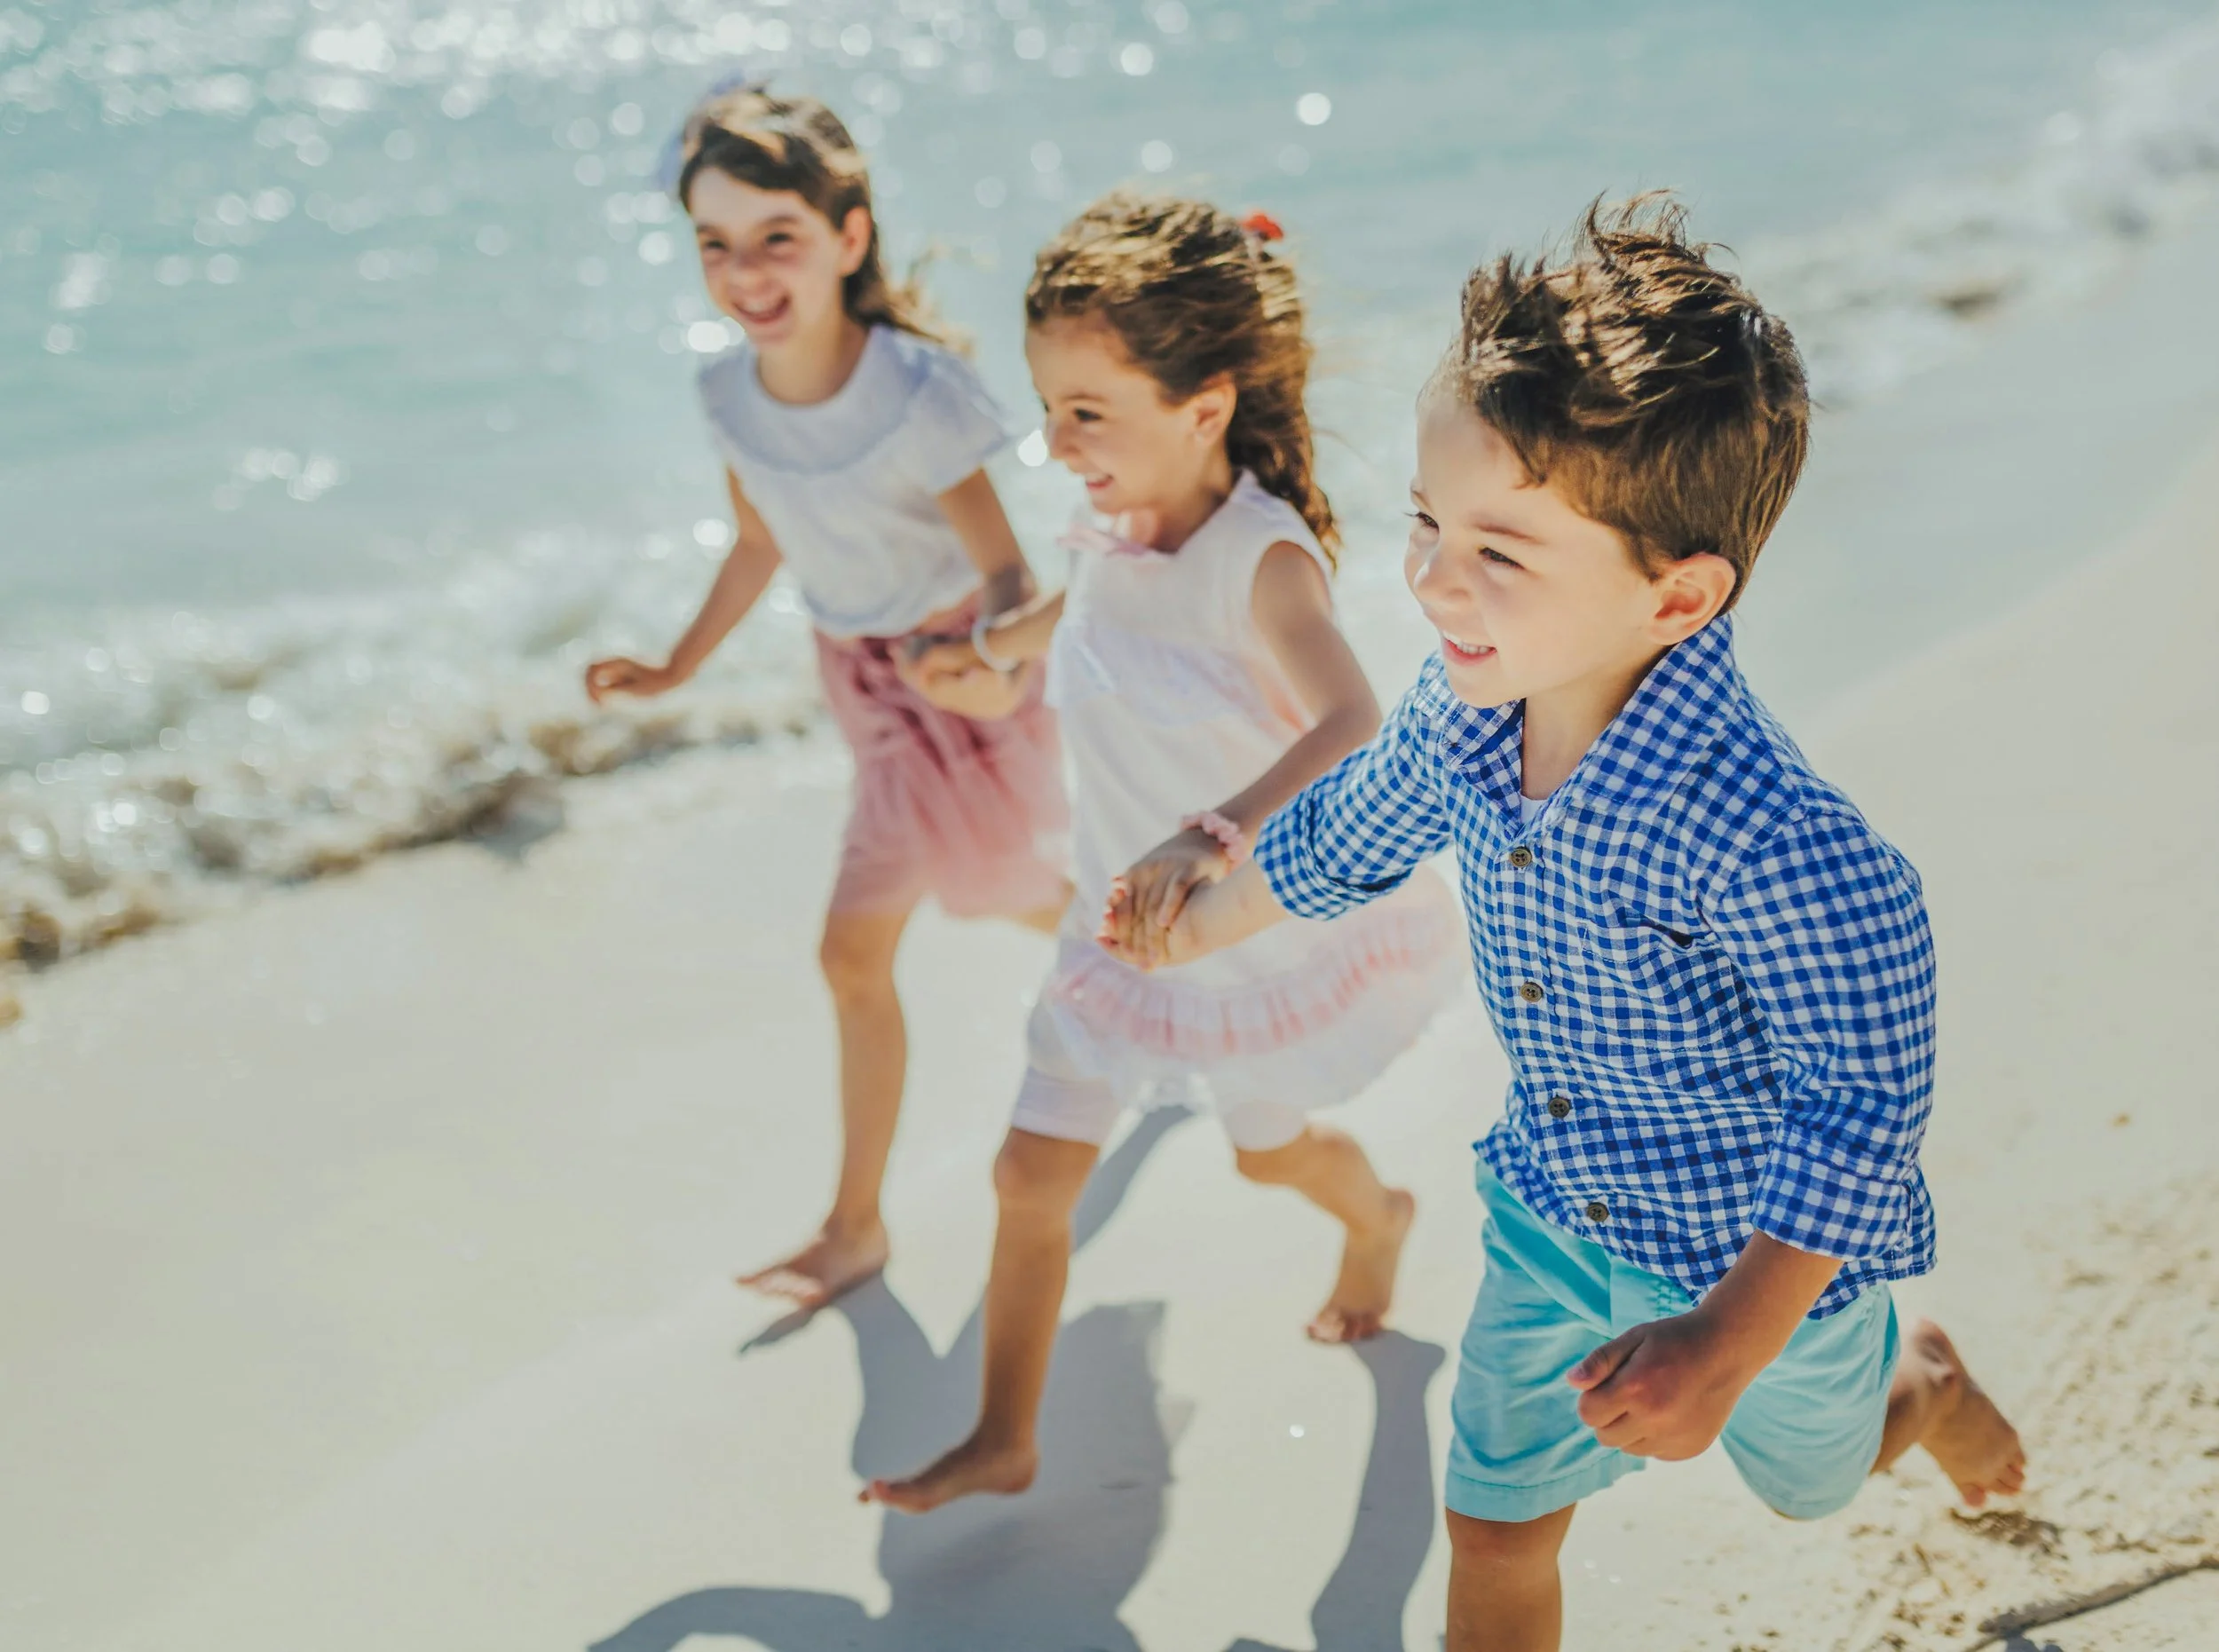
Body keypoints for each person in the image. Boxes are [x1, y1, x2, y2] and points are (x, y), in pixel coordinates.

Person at [1104, 196, 2026, 1652]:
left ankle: (1927, 1387)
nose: (1428, 578)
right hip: (1552, 1217)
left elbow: (1862, 1110)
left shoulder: (1777, 840)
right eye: (1425, 521)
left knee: (1816, 1480)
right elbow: (1351, 834)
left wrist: (1727, 1345)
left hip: (1758, 1271)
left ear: (1678, 594)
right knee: (1495, 1524)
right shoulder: (1466, 719)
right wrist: (1205, 911)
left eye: (1500, 553)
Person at [860, 193, 1463, 1514]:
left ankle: (1379, 1219)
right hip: (1111, 935)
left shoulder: (1261, 561)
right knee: (1031, 1175)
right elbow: (1085, 613)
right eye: (1048, 406)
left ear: (1203, 406)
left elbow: (1355, 719)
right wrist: (985, 661)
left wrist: (1214, 831)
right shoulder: (1123, 525)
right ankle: (1004, 1436)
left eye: (1087, 410)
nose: (1055, 441)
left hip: (1231, 938)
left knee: (1267, 1153)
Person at [585, 86, 1070, 1310]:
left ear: (849, 238)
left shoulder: (919, 391)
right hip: (859, 683)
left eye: (776, 238)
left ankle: (855, 1228)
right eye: (716, 245)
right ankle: (1141, 954)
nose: (745, 272)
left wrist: (993, 662)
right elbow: (760, 546)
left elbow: (1008, 565)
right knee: (1004, 894)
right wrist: (675, 666)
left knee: (856, 948)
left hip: (956, 679)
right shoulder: (729, 399)